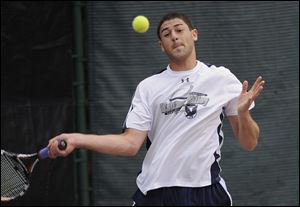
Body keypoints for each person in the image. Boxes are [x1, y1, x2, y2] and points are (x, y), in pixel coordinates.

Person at [48, 12, 265, 206]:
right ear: (162, 45)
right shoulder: (149, 87)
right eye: (166, 34)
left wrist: (243, 113)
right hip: (155, 193)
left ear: (194, 34)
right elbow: (130, 144)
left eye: (179, 30)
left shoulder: (221, 78)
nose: (174, 36)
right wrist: (77, 139)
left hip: (206, 192)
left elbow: (249, 143)